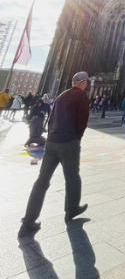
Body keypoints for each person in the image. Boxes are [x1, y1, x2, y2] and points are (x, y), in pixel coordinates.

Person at [18, 71, 90, 237]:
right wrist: (76, 138)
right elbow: (82, 120)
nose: (87, 84)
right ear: (82, 82)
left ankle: (29, 220)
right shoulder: (81, 96)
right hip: (68, 142)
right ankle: (72, 209)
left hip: (52, 143)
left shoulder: (60, 96)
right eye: (86, 82)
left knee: (42, 181)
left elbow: (50, 119)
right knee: (72, 177)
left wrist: (51, 137)